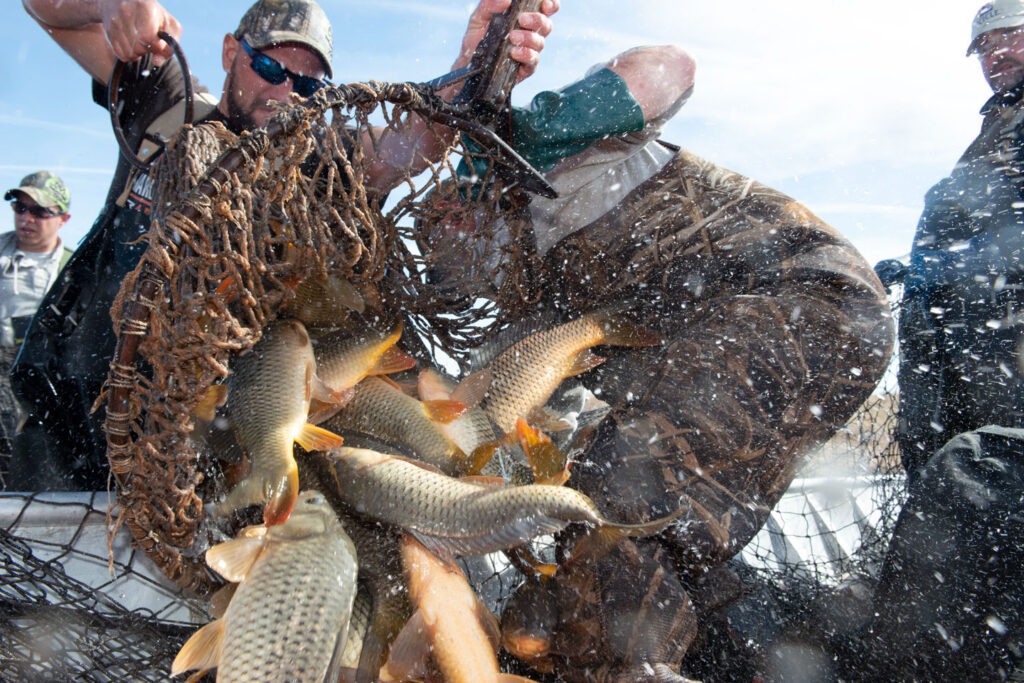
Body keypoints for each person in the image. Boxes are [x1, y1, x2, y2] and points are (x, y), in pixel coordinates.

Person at [423, 44, 894, 680]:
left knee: (624, 497)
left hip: (808, 301)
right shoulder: (533, 295)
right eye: (437, 254)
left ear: (470, 200)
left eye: (448, 222)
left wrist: (533, 131)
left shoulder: (564, 157)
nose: (447, 247)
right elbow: (520, 391)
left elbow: (669, 68)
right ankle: (730, 658)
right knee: (675, 519)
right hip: (720, 351)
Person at [9, 0, 556, 491]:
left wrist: (474, 61)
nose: (285, 92)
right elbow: (47, 9)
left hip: (192, 446)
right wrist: (111, 4)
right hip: (72, 409)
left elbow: (405, 142)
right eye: (269, 67)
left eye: (309, 86)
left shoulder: (312, 164)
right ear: (231, 52)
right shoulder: (166, 105)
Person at [856, 1, 1024, 678]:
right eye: (985, 47)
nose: (997, 53)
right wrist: (915, 268)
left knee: (980, 491)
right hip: (958, 366)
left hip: (1008, 363)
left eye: (1011, 38)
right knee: (954, 496)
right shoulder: (996, 127)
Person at [0, 171, 74, 480]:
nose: (27, 218)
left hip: (49, 367)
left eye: (40, 211)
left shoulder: (74, 268)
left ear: (63, 218)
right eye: (20, 207)